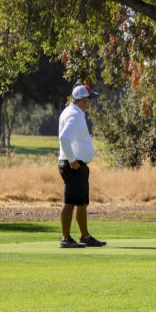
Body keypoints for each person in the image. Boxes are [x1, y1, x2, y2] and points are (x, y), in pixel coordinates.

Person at [57, 84, 106, 249]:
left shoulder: (72, 112)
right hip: (73, 165)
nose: (91, 102)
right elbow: (64, 138)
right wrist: (72, 160)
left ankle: (85, 236)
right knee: (70, 202)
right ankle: (65, 238)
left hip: (77, 164)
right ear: (83, 101)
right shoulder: (75, 115)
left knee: (81, 202)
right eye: (90, 99)